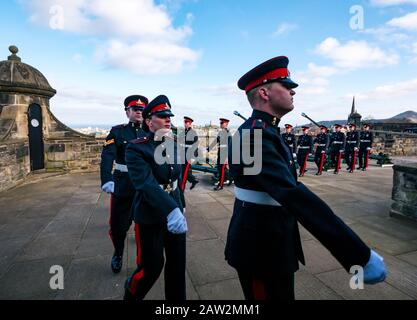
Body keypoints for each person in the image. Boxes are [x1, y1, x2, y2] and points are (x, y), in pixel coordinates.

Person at [225, 56, 386, 301]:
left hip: (272, 240)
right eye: (286, 86)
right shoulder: (255, 135)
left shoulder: (266, 131)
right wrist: (357, 255)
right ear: (265, 93)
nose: (293, 91)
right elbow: (292, 193)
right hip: (259, 248)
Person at [124, 95, 188, 301]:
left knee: (177, 265)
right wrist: (172, 209)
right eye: (162, 116)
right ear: (149, 121)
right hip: (151, 214)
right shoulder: (136, 147)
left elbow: (175, 179)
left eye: (169, 115)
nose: (168, 119)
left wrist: (181, 205)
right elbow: (145, 184)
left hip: (175, 208)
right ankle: (132, 293)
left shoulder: (173, 143)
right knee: (151, 267)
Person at [100, 95, 148, 273]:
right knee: (118, 226)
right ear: (127, 112)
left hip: (144, 184)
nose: (138, 112)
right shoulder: (117, 132)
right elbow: (107, 156)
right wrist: (107, 179)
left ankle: (142, 261)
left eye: (142, 109)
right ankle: (118, 253)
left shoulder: (150, 132)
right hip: (123, 184)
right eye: (135, 109)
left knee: (144, 226)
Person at [209, 118, 232, 191]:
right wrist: (209, 148)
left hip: (225, 153)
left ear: (226, 124)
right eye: (220, 123)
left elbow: (230, 145)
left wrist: (227, 158)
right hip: (220, 152)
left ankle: (220, 185)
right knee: (219, 168)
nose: (220, 124)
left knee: (222, 169)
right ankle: (230, 178)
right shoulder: (220, 133)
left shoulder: (228, 133)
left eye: (222, 123)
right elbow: (216, 141)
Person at [180, 116, 199, 191]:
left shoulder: (193, 133)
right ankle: (193, 180)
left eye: (186, 122)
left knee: (185, 173)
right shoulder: (183, 132)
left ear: (190, 123)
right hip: (182, 154)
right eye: (184, 122)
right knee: (183, 171)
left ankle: (182, 188)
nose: (184, 124)